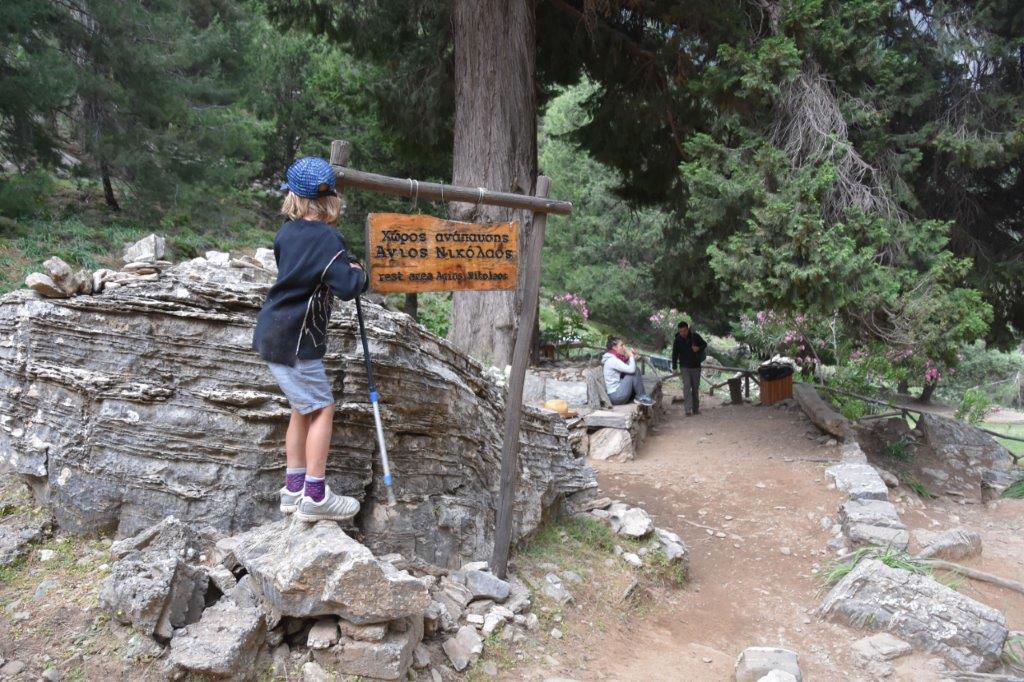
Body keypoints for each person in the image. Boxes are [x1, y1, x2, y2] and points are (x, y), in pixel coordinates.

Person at [252, 156, 368, 522]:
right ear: (331, 199)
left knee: (301, 408)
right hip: (299, 339)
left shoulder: (285, 233)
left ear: (294, 197)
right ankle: (316, 494)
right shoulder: (328, 238)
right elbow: (347, 287)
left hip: (272, 331)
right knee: (322, 408)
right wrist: (359, 272)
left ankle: (294, 489)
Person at [602, 336, 655, 406]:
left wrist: (633, 358)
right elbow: (632, 370)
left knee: (635, 370)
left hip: (618, 394)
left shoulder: (614, 358)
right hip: (616, 396)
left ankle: (641, 396)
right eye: (621, 345)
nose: (624, 348)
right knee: (635, 370)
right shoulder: (612, 360)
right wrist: (631, 356)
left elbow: (629, 368)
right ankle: (641, 396)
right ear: (614, 348)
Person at [671, 320, 708, 416]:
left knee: (695, 388)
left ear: (687, 329)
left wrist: (698, 348)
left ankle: (696, 409)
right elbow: (674, 354)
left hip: (695, 366)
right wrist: (674, 367)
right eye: (680, 331)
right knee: (687, 387)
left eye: (684, 331)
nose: (682, 333)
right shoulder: (677, 340)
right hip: (684, 367)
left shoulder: (695, 336)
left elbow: (704, 344)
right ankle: (688, 410)